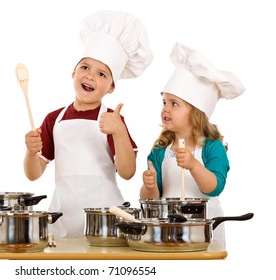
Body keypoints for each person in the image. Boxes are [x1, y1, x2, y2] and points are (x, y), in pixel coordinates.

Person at [24, 10, 153, 237]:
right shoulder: (54, 119)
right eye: (85, 68)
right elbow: (33, 174)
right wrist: (31, 152)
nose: (91, 76)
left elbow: (127, 172)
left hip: (106, 221)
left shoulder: (114, 120)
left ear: (111, 87)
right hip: (60, 221)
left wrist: (119, 131)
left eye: (102, 74)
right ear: (73, 73)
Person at [140, 42, 245, 248]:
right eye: (164, 102)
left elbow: (214, 188)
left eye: (174, 103)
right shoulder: (160, 149)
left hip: (205, 231)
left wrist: (194, 165)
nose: (166, 109)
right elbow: (152, 197)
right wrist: (149, 186)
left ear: (197, 112)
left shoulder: (212, 147)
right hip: (169, 231)